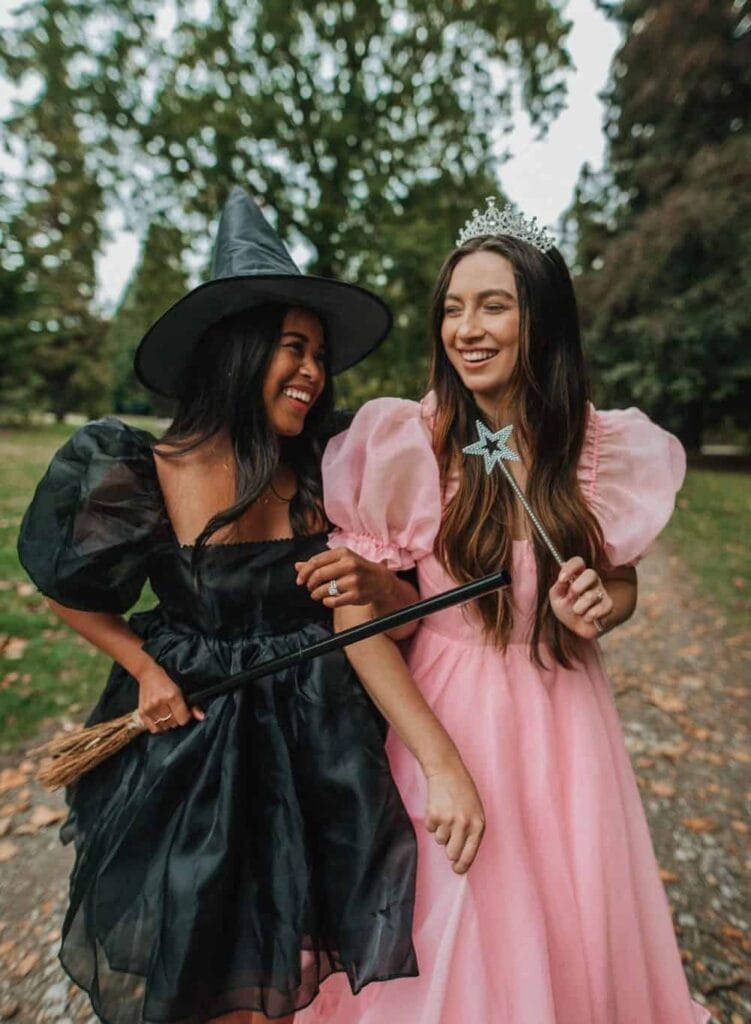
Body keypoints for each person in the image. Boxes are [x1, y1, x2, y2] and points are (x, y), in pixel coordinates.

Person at [16, 189, 484, 1024]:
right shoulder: (145, 470)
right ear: (235, 351)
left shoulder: (327, 470)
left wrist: (380, 587)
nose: (313, 372)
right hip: (198, 747)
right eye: (292, 348)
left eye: (319, 355)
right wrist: (144, 669)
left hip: (315, 741)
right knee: (202, 959)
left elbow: (402, 609)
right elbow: (65, 591)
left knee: (289, 966)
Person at [295, 198, 709, 1023]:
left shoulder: (592, 447)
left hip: (566, 728)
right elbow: (359, 623)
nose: (465, 329)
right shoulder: (411, 442)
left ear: (540, 321)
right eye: (452, 309)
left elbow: (619, 582)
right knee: (449, 931)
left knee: (567, 925)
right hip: (442, 722)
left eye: (492, 306)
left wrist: (601, 605)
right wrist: (442, 766)